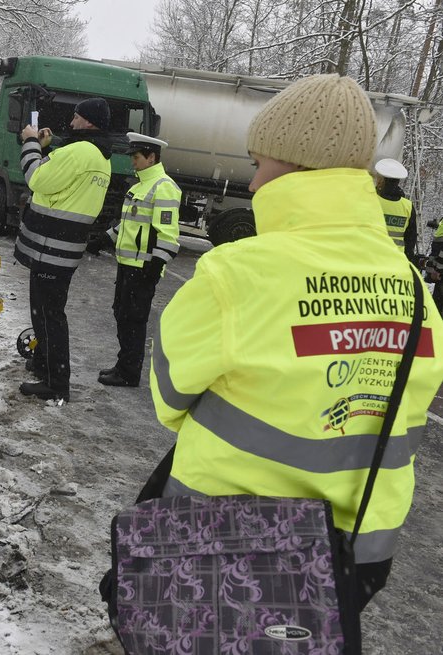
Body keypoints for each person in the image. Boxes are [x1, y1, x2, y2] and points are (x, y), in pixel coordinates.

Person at [149, 74, 443, 610]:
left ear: (293, 163)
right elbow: (410, 419)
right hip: (358, 548)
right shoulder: (413, 288)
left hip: (226, 536)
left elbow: (170, 399)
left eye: (258, 163)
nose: (255, 184)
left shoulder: (234, 273)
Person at [14, 97, 113, 402]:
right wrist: (45, 149)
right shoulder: (99, 156)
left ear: (89, 122)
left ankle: (56, 382)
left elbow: (37, 178)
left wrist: (30, 143)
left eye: (76, 117)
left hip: (50, 247)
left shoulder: (80, 151)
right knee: (44, 311)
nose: (71, 122)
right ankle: (44, 364)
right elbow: (60, 185)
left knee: (49, 315)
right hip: (62, 248)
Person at [98, 133, 181, 387]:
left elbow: (168, 233)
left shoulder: (163, 186)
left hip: (143, 267)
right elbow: (129, 225)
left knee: (133, 319)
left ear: (151, 157)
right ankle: (124, 365)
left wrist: (156, 265)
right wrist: (104, 239)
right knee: (122, 315)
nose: (132, 162)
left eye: (136, 157)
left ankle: (129, 373)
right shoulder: (138, 186)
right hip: (127, 264)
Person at [374, 157, 418, 263]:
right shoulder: (407, 206)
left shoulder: (371, 200)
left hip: (371, 259)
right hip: (395, 262)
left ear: (381, 180)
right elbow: (410, 240)